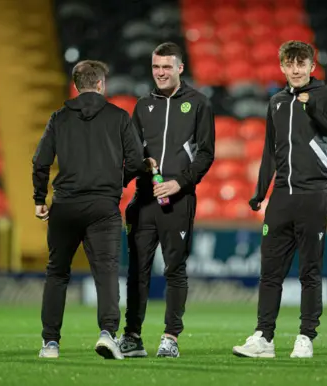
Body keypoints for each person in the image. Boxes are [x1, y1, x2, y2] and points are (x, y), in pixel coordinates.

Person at [232, 40, 327, 359]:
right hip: (281, 197)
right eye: (290, 64)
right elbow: (270, 152)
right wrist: (260, 192)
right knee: (270, 272)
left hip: (314, 194)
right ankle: (264, 337)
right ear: (282, 66)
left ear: (313, 66)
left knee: (309, 271)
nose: (296, 69)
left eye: (302, 64)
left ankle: (305, 336)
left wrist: (313, 109)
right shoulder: (277, 102)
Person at [32, 60, 150, 360]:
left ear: (76, 85)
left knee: (57, 273)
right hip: (103, 208)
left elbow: (40, 161)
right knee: (107, 272)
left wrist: (38, 199)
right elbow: (137, 162)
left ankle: (50, 343)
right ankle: (108, 334)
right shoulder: (119, 117)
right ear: (101, 84)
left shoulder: (59, 118)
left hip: (65, 205)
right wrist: (115, 183)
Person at [118, 42, 215, 358]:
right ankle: (132, 336)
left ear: (180, 68)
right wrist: (140, 165)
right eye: (156, 67)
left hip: (178, 201)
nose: (160, 73)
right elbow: (132, 152)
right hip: (144, 200)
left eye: (166, 67)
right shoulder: (143, 104)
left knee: (175, 269)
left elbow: (206, 154)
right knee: (137, 270)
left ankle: (170, 337)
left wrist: (179, 183)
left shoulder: (199, 104)